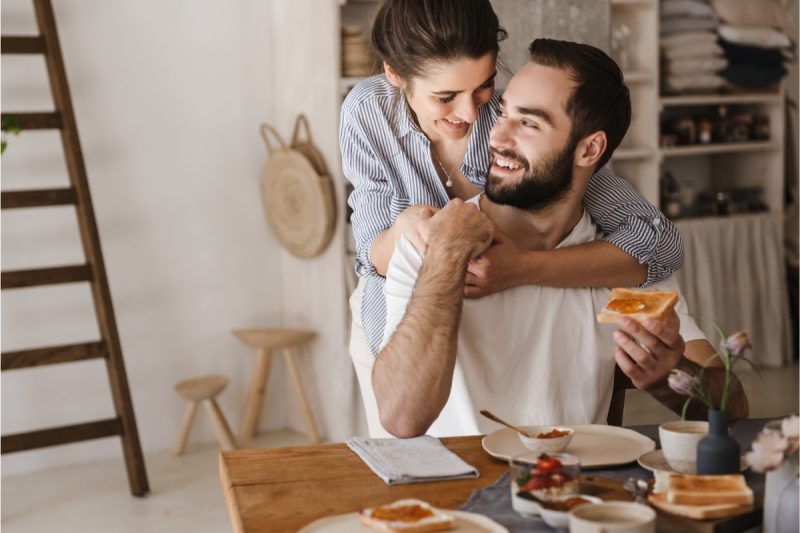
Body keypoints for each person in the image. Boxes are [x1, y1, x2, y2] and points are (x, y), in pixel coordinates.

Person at [357, 38, 748, 439]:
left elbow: (731, 405)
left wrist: (670, 376)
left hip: (569, 490)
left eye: (528, 123)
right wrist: (446, 257)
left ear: (589, 149)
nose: (496, 137)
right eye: (504, 114)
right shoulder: (433, 242)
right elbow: (402, 418)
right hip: (449, 493)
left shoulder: (619, 278)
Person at [340, 0, 685, 369]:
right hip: (406, 322)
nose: (471, 114)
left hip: (504, 321)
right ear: (394, 74)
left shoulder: (514, 123)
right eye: (445, 98)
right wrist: (401, 234)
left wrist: (522, 267)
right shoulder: (369, 112)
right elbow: (371, 257)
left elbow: (658, 241)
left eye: (485, 86)